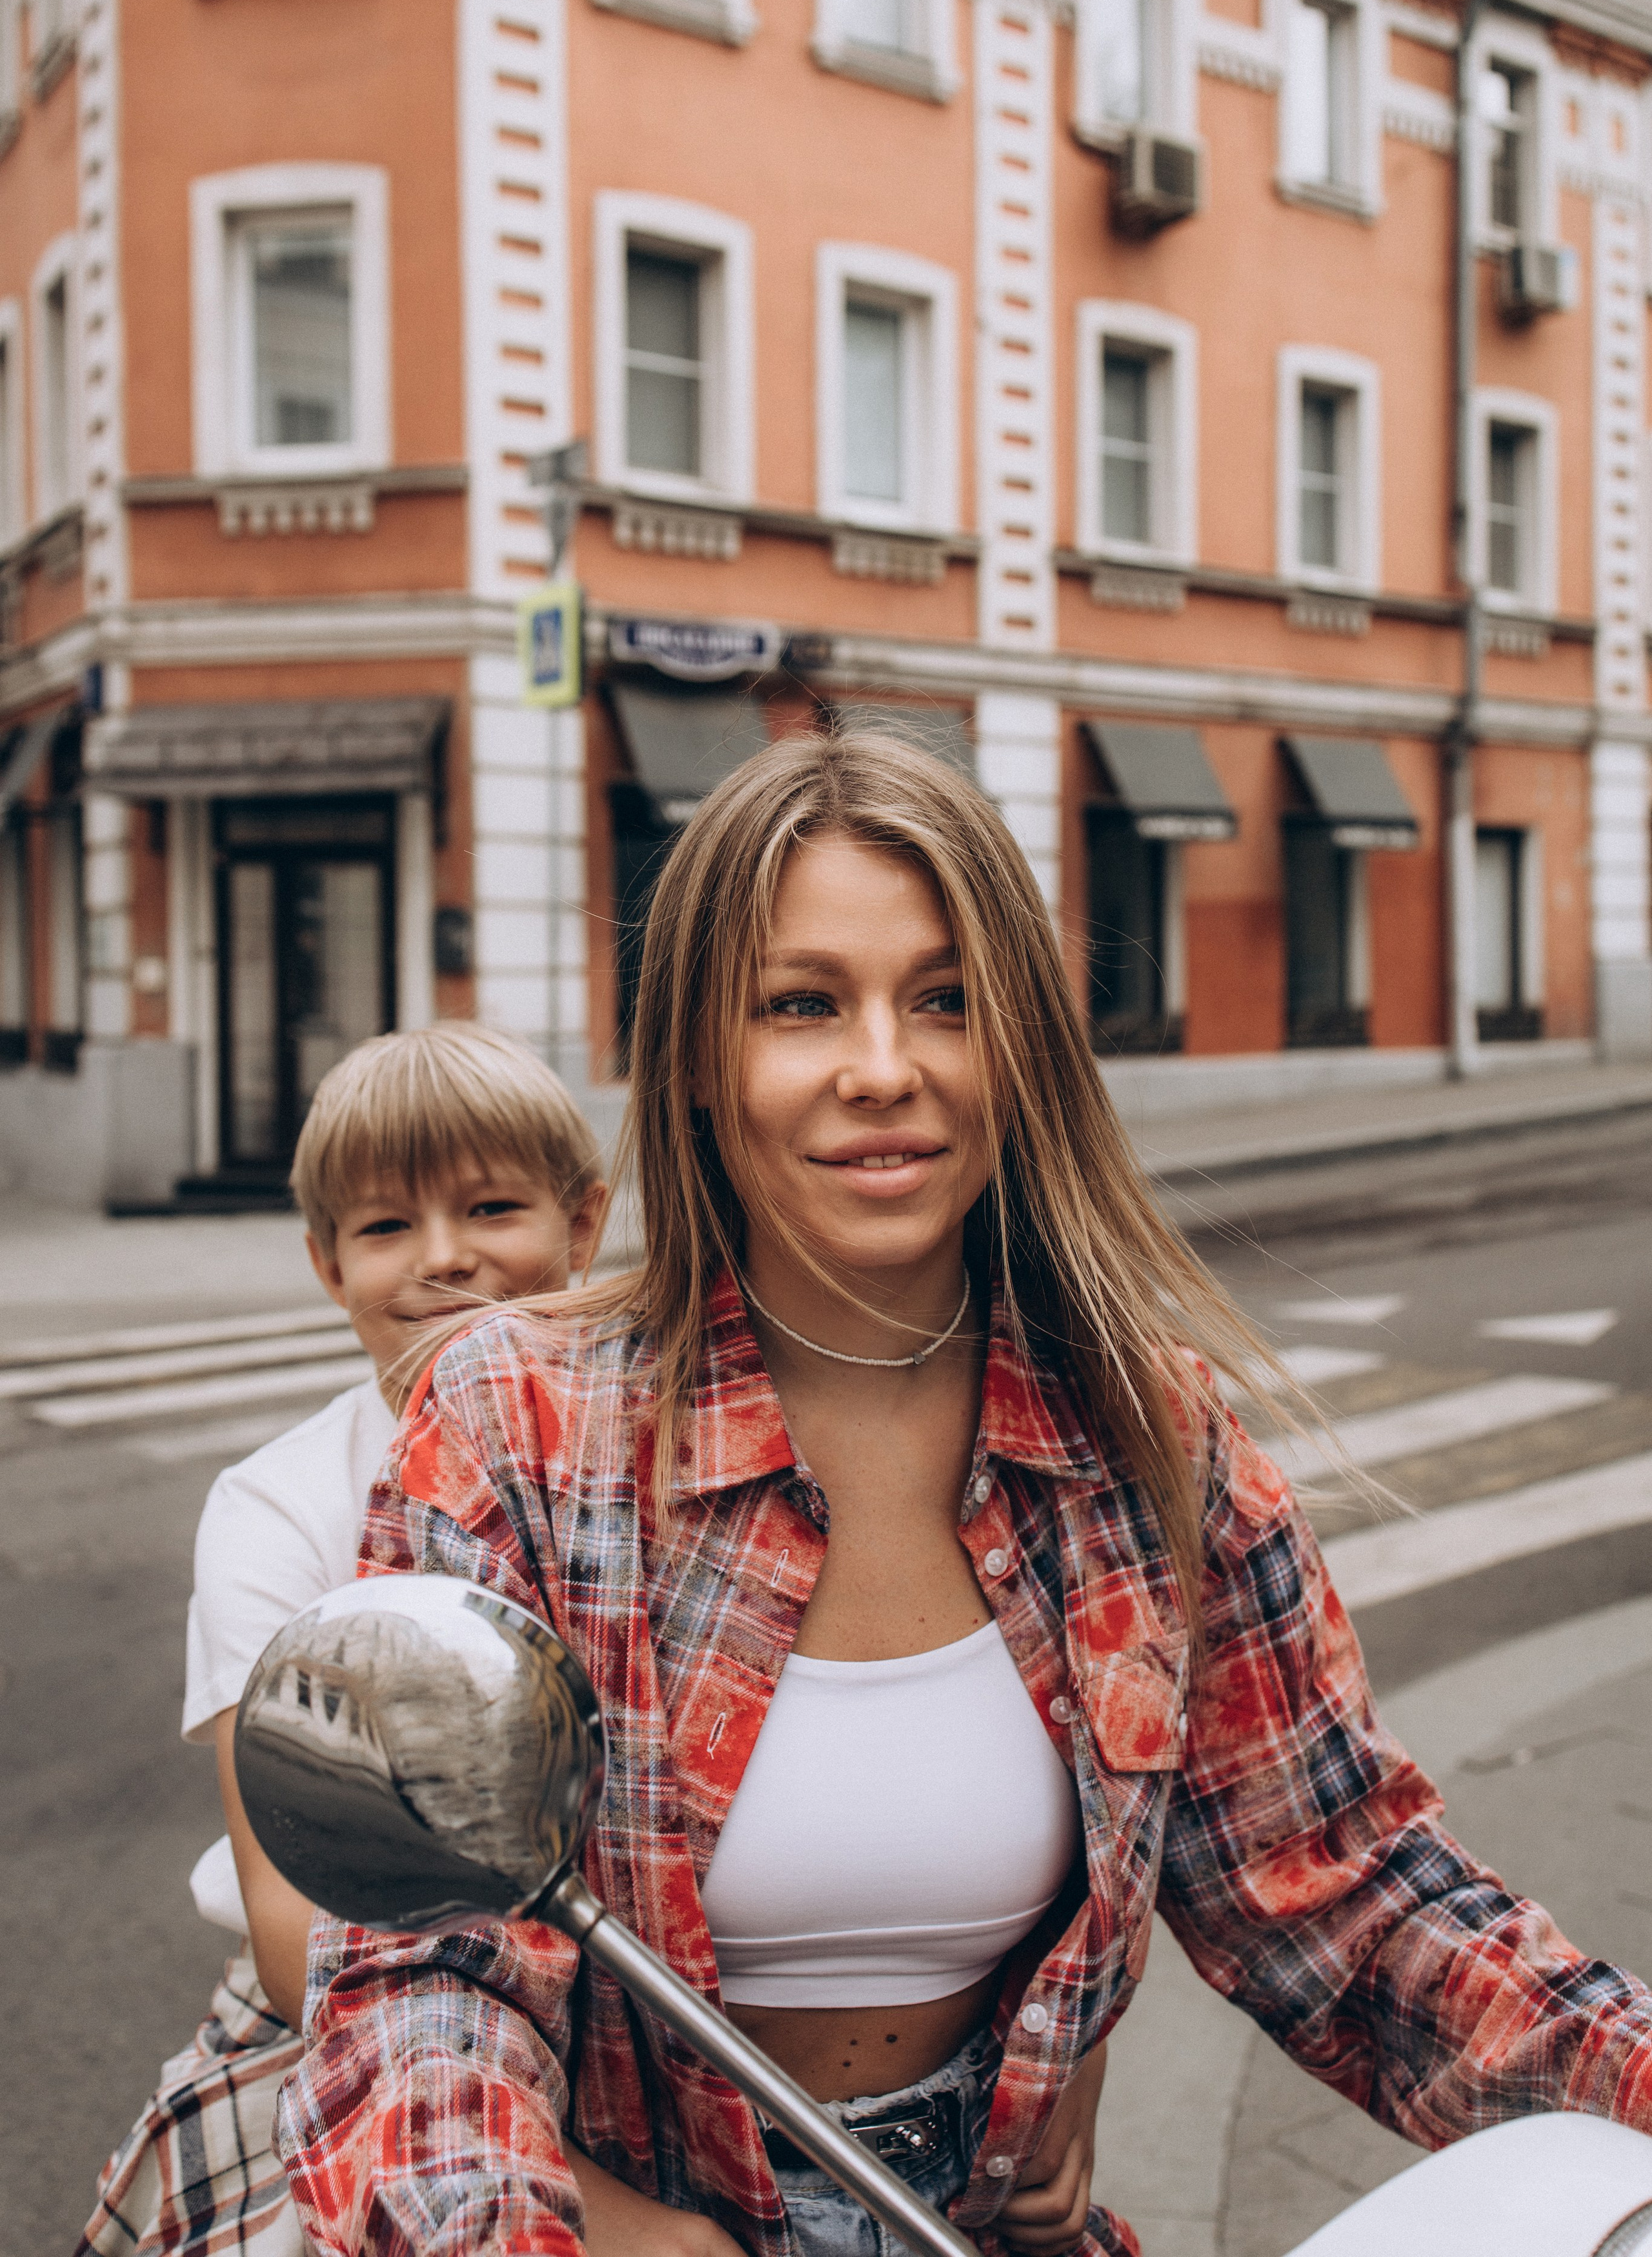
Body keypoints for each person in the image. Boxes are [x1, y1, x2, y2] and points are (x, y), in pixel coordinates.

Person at [277, 734, 1652, 2257]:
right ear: (690, 1059)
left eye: (945, 999)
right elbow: (421, 1988)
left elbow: (1345, 1898)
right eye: (803, 1004)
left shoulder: (1146, 1435)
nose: (885, 1066)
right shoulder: (512, 1423)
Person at [77, 1023, 607, 2257]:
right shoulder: (282, 1507)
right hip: (340, 2041)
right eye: (384, 1229)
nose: (445, 1260)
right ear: (327, 1264)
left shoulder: (661, 1448)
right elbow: (286, 1923)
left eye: (491, 1207)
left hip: (635, 2029)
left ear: (582, 1224)